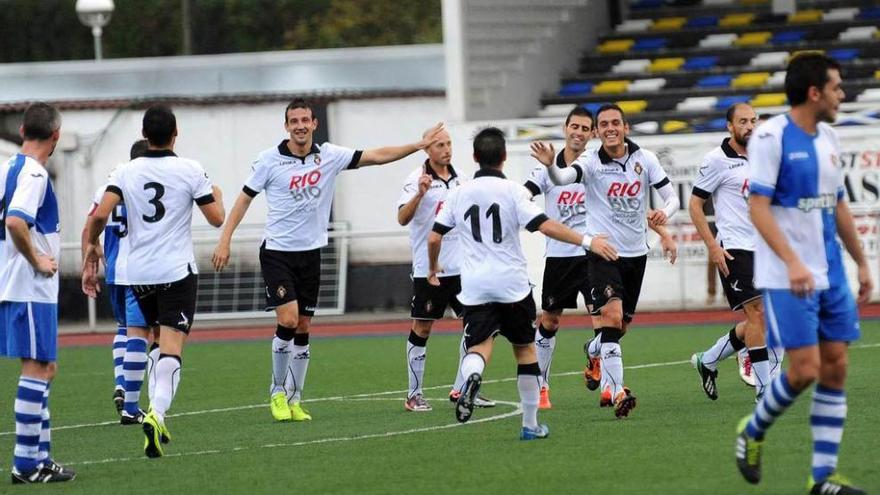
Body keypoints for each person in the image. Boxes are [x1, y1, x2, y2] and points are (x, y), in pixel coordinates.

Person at [211, 98, 446, 422]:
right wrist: (225, 239)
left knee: (305, 325)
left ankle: (296, 399)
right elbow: (242, 201)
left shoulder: (329, 156)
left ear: (314, 124)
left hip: (311, 254)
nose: (300, 126)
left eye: (305, 120)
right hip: (278, 253)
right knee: (289, 320)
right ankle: (277, 392)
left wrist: (419, 145)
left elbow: (376, 156)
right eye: (294, 121)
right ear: (286, 126)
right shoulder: (268, 161)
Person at [735, 53, 871, 495]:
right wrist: (793, 261)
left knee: (836, 366)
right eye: (836, 87)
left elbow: (839, 205)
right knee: (805, 369)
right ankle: (752, 430)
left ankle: (823, 478)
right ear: (815, 92)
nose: (842, 94)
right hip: (786, 275)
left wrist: (862, 261)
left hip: (830, 271)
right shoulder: (771, 137)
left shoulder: (830, 136)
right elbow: (757, 208)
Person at [428, 127, 617, 440]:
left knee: (478, 347)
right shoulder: (514, 192)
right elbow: (545, 226)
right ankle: (530, 426)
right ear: (503, 157)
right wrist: (587, 240)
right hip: (512, 284)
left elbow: (435, 235)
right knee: (525, 351)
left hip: (475, 286)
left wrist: (433, 266)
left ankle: (473, 376)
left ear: (475, 157)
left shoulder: (458, 193)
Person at [84, 105, 225, 458]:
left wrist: (90, 245)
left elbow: (100, 213)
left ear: (145, 136)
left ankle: (145, 403)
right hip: (175, 272)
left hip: (137, 274)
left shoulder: (125, 170)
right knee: (172, 348)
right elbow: (217, 219)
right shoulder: (190, 169)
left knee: (153, 339)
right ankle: (157, 414)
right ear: (175, 133)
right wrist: (216, 194)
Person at [530, 103, 680, 418]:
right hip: (599, 252)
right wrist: (549, 166)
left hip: (635, 255)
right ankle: (615, 391)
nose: (609, 128)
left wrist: (663, 219)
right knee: (604, 319)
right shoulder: (591, 162)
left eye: (615, 123)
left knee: (618, 327)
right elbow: (564, 176)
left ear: (626, 127)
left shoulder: (645, 159)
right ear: (598, 132)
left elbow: (672, 198)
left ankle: (594, 350)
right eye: (603, 124)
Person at [1, 102, 75, 483]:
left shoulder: (8, 167)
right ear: (56, 136)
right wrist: (37, 261)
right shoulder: (34, 173)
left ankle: (39, 458)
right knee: (36, 368)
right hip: (28, 285)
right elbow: (15, 221)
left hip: (22, 286)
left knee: (47, 367)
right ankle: (25, 465)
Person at [396, 128, 495, 412]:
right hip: (430, 268)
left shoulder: (463, 179)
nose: (446, 149)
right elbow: (402, 218)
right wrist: (419, 194)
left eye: (449, 143)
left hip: (464, 268)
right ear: (427, 149)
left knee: (477, 326)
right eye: (439, 144)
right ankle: (413, 394)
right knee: (423, 327)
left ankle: (462, 388)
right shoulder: (415, 179)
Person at [689, 103, 782, 402]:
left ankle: (709, 359)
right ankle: (764, 388)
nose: (750, 126)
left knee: (765, 319)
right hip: (734, 248)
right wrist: (713, 246)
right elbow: (695, 205)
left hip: (765, 248)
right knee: (758, 314)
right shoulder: (716, 160)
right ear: (730, 126)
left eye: (754, 120)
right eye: (743, 121)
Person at [81, 139, 154, 421]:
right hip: (143, 271)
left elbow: (91, 225)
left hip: (113, 271)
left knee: (124, 327)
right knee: (142, 331)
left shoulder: (107, 188)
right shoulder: (145, 186)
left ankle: (120, 384)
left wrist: (92, 257)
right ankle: (130, 400)